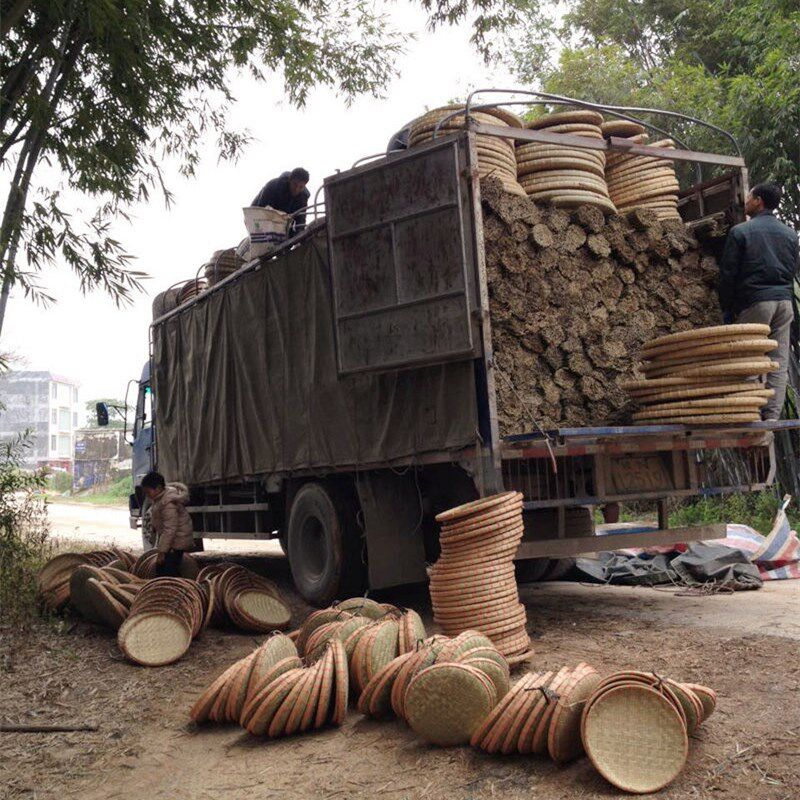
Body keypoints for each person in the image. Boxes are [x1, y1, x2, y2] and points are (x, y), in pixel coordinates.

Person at [718, 182, 799, 420]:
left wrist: (728, 309)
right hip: (784, 303)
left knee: (748, 358)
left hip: (756, 302)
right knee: (779, 360)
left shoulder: (741, 232)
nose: (747, 201)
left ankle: (751, 414)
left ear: (759, 201)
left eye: (750, 197)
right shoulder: (790, 234)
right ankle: (772, 416)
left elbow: (728, 275)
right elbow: (793, 268)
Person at [140, 471, 194, 577]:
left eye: (148, 492)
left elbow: (170, 530)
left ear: (158, 488)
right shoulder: (160, 498)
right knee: (164, 568)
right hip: (172, 541)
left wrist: (162, 552)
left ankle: (177, 589)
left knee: (167, 571)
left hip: (177, 541)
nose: (147, 495)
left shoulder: (168, 503)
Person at [251, 167, 310, 231]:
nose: (297, 189)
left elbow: (301, 221)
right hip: (258, 212)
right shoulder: (273, 186)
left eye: (301, 187)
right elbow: (261, 208)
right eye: (295, 184)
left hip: (284, 221)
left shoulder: (303, 198)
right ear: (289, 180)